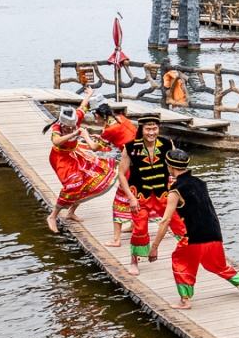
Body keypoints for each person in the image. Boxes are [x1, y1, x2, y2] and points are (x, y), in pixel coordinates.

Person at [149, 149, 239, 309]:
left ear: (170, 167)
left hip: (193, 236)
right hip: (214, 233)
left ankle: (185, 300)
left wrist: (154, 247)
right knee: (217, 265)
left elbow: (165, 220)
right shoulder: (200, 183)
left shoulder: (175, 190)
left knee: (180, 261)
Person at [117, 113, 185, 276]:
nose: (152, 132)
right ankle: (134, 260)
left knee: (180, 224)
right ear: (142, 129)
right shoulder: (130, 147)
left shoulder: (167, 144)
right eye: (148, 129)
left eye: (155, 128)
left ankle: (190, 253)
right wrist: (131, 198)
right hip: (140, 195)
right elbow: (121, 174)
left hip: (163, 194)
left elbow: (177, 168)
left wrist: (181, 190)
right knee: (139, 228)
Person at [44, 98, 118, 233]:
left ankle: (71, 212)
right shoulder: (57, 128)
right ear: (62, 124)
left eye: (72, 127)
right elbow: (56, 141)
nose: (70, 128)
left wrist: (88, 95)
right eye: (67, 128)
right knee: (72, 185)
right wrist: (74, 133)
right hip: (60, 159)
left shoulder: (75, 119)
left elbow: (83, 106)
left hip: (76, 153)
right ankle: (52, 216)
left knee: (87, 179)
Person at [92, 103, 137, 247]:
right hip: (140, 160)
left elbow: (94, 148)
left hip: (129, 164)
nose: (95, 119)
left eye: (96, 117)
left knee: (120, 200)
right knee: (136, 194)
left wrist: (84, 134)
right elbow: (121, 137)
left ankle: (116, 240)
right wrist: (101, 137)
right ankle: (133, 225)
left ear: (99, 115)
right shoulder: (121, 118)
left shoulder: (109, 130)